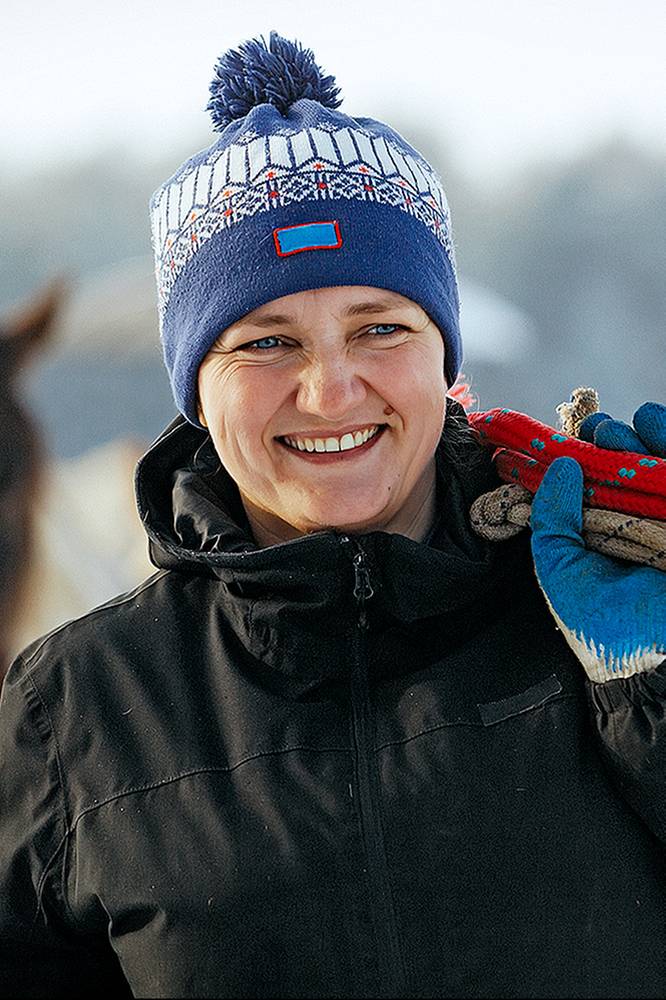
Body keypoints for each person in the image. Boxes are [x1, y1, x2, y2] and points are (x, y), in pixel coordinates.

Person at [1, 32, 665, 1000]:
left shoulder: (610, 610)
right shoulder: (74, 709)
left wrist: (653, 699)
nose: (331, 390)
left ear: (444, 356)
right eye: (266, 342)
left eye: (380, 328)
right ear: (195, 391)